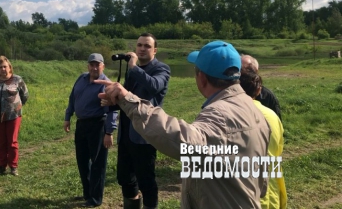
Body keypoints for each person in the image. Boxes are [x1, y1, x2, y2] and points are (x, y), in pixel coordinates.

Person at [97, 40, 271, 208]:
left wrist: (129, 100)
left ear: (201, 78)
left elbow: (185, 141)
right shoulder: (256, 111)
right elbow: (262, 186)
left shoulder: (219, 115)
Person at [115, 33, 171, 209]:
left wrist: (133, 66)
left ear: (155, 50)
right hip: (126, 131)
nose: (141, 48)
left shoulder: (161, 69)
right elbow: (129, 98)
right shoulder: (133, 72)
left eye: (147, 46)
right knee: (125, 177)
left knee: (145, 179)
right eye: (139, 45)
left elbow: (154, 86)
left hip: (145, 134)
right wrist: (112, 101)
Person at [64, 53, 118, 208]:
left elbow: (113, 110)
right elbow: (72, 98)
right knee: (82, 160)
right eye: (92, 64)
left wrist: (109, 132)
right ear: (88, 66)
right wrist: (68, 117)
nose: (94, 67)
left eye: (98, 64)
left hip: (98, 125)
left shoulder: (106, 84)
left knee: (98, 163)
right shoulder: (81, 79)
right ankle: (87, 193)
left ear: (103, 66)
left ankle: (96, 198)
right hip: (81, 125)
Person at [239, 68, 287, 209]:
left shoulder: (231, 115)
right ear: (259, 91)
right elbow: (278, 151)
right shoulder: (272, 115)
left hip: (244, 195)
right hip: (272, 192)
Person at [0, 56, 29, 176]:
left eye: (5, 66)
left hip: (13, 115)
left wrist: (16, 106)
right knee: (0, 141)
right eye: (0, 67)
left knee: (12, 141)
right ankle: (1, 166)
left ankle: (13, 166)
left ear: (9, 67)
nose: (3, 69)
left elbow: (25, 95)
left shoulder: (17, 79)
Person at [241, 54, 282, 120]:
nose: (244, 73)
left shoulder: (267, 96)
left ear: (256, 71)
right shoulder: (230, 91)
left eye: (248, 69)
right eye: (241, 69)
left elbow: (277, 120)